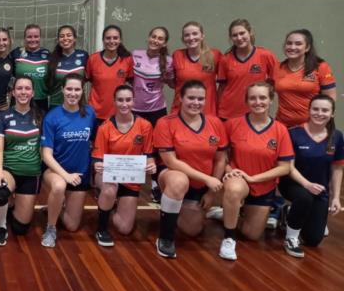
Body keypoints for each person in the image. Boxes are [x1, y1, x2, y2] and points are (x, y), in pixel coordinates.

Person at [152, 80, 228, 259]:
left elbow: (220, 160)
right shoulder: (165, 123)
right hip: (172, 175)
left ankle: (178, 207)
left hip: (200, 184)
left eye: (200, 99)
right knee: (179, 181)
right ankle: (165, 237)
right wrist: (207, 178)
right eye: (191, 98)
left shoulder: (215, 123)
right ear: (180, 98)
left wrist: (210, 193)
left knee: (192, 230)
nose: (196, 102)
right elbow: (170, 161)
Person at [219, 82, 293, 260]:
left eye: (262, 97)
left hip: (262, 186)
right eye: (252, 98)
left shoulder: (280, 130)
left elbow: (285, 167)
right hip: (238, 179)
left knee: (252, 235)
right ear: (246, 100)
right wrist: (230, 171)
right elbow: (222, 157)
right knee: (235, 189)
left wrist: (253, 178)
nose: (257, 102)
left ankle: (232, 210)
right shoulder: (232, 124)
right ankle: (229, 239)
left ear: (271, 100)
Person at [279, 95, 343, 257]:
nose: (319, 113)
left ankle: (289, 213)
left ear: (332, 113)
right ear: (308, 110)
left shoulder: (337, 137)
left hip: (320, 189)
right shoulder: (294, 134)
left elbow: (337, 168)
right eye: (315, 109)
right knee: (304, 198)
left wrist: (336, 198)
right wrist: (306, 184)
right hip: (293, 184)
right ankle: (291, 238)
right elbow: (289, 167)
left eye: (325, 110)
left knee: (313, 239)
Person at [92, 85, 156, 247]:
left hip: (131, 177)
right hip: (108, 174)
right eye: (120, 100)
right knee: (109, 189)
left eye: (128, 100)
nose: (124, 104)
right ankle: (101, 228)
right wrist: (98, 166)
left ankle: (109, 207)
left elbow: (149, 155)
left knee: (124, 228)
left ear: (134, 101)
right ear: (114, 102)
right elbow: (98, 159)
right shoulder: (105, 128)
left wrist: (151, 165)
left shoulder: (145, 126)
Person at [40, 74, 96, 248]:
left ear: (82, 91)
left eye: (77, 89)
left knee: (72, 226)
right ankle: (50, 228)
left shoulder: (90, 113)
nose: (73, 93)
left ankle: (54, 207)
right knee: (59, 186)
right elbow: (46, 155)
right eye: (69, 89)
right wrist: (65, 175)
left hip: (80, 174)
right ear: (62, 90)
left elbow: (94, 144)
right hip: (56, 171)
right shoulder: (52, 117)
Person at [0, 77, 42, 246]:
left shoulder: (40, 116)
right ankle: (1, 227)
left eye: (27, 88)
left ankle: (12, 205)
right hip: (9, 170)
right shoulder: (4, 116)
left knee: (21, 228)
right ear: (13, 92)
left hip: (31, 173)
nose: (23, 92)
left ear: (33, 93)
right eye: (19, 88)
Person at [217, 19, 278, 121]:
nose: (239, 38)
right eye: (235, 35)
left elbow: (275, 81)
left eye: (242, 33)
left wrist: (266, 99)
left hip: (255, 112)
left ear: (250, 32)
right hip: (229, 113)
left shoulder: (265, 55)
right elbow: (221, 88)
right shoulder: (225, 59)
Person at [274, 29, 336, 128]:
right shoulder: (277, 68)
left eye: (298, 44)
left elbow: (330, 100)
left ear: (307, 48)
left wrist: (322, 125)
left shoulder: (321, 67)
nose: (292, 47)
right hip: (283, 127)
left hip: (312, 128)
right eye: (289, 43)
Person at [171, 21, 222, 115]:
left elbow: (225, 84)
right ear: (183, 38)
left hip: (207, 111)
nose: (191, 38)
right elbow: (172, 83)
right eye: (187, 35)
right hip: (180, 111)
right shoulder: (177, 55)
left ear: (202, 36)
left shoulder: (215, 55)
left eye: (195, 34)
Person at [85, 25, 133, 122]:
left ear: (120, 40)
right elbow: (85, 82)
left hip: (118, 114)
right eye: (108, 38)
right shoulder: (92, 59)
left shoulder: (127, 60)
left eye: (115, 38)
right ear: (103, 40)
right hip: (95, 113)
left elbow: (130, 84)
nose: (112, 41)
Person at [131, 26, 174, 126]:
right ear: (148, 38)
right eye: (153, 36)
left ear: (165, 43)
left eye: (160, 38)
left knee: (157, 141)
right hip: (134, 108)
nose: (155, 40)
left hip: (157, 109)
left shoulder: (169, 61)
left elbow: (172, 84)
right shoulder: (135, 54)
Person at [46, 25, 88, 108]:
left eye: (69, 35)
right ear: (58, 40)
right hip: (57, 104)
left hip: (78, 105)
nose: (65, 38)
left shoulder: (83, 56)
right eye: (62, 36)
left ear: (75, 38)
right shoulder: (52, 58)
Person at [11, 24, 50, 112]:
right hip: (19, 99)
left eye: (36, 36)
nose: (33, 40)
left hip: (41, 100)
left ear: (40, 37)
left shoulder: (47, 54)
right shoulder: (16, 53)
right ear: (24, 38)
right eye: (29, 37)